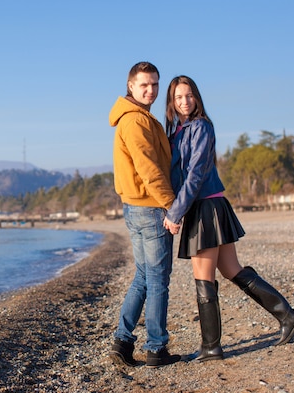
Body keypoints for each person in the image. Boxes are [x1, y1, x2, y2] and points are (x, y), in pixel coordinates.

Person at [162, 75, 294, 362]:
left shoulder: (200, 126)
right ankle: (287, 316)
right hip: (205, 206)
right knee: (231, 269)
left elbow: (195, 175)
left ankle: (211, 347)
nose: (184, 101)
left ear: (197, 97)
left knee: (204, 278)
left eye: (189, 95)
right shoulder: (176, 131)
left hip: (205, 207)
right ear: (172, 102)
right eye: (178, 97)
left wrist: (175, 213)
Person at [108, 62, 181, 368]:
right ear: (131, 87)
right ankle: (155, 348)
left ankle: (122, 342)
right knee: (158, 279)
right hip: (150, 208)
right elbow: (149, 169)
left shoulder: (140, 117)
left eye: (154, 85)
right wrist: (173, 207)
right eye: (144, 85)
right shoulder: (135, 121)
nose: (150, 91)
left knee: (144, 277)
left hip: (136, 207)